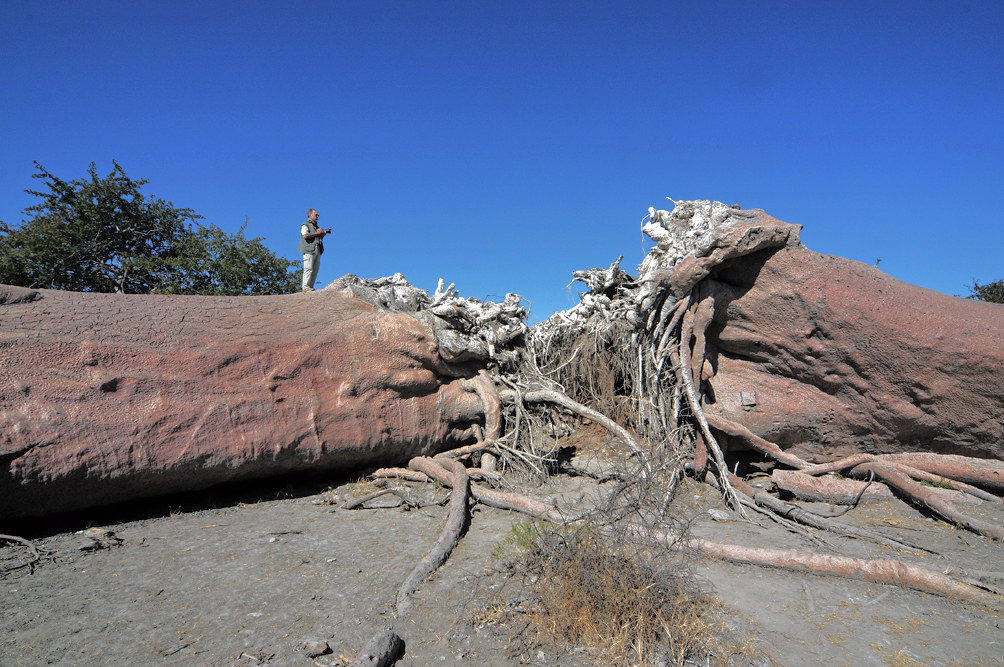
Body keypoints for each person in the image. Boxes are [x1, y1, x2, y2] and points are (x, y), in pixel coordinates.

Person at [298, 208, 329, 292]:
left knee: (315, 269)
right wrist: (317, 233)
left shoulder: (315, 227)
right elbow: (305, 235)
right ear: (310, 215)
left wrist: (322, 235)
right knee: (308, 268)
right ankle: (305, 287)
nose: (318, 216)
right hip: (309, 250)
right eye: (316, 215)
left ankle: (310, 287)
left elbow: (317, 238)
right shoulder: (305, 224)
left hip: (317, 249)